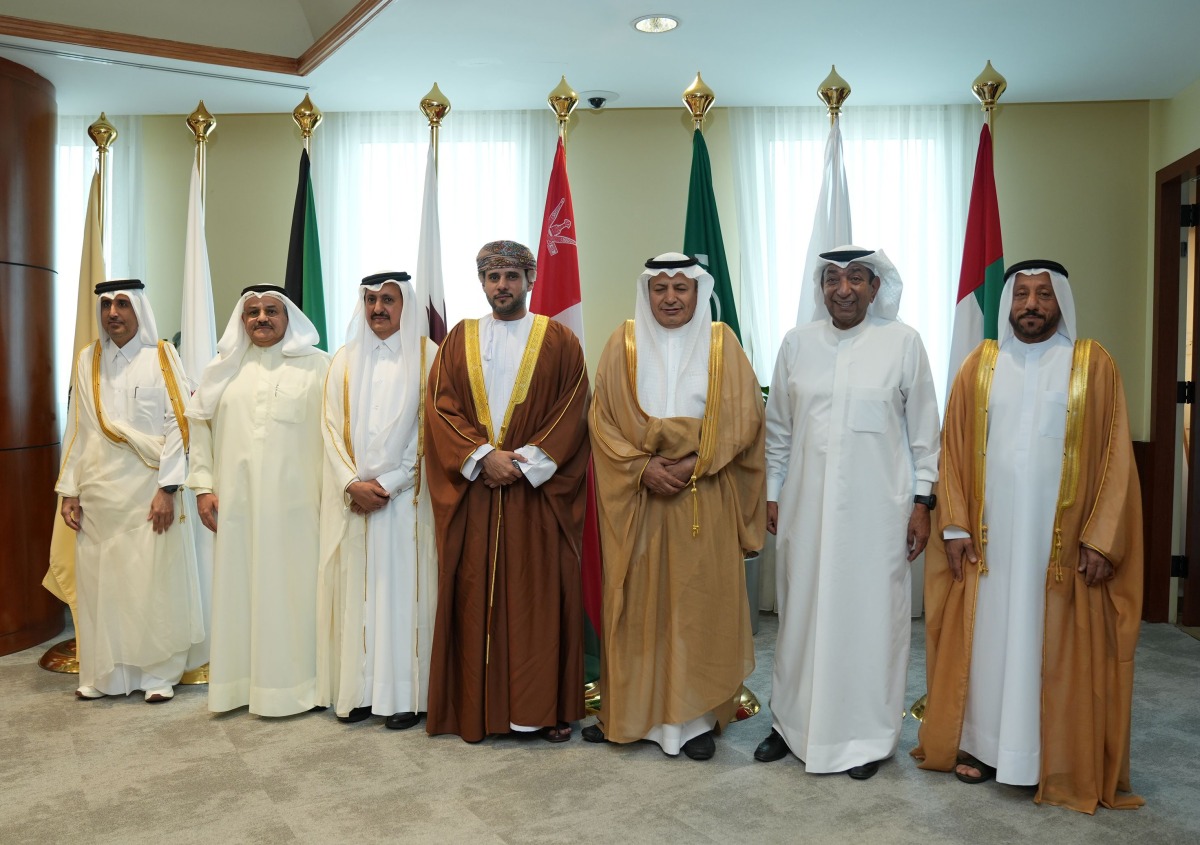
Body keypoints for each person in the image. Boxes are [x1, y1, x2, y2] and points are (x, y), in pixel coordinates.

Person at [913, 260, 1143, 813]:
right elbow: (954, 453)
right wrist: (955, 524)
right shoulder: (980, 366)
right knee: (987, 640)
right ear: (1007, 305)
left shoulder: (1093, 365)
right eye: (1021, 295)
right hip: (990, 546)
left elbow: (1117, 459)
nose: (1031, 304)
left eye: (1043, 295)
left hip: (1059, 548)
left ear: (1060, 302)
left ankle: (1049, 755)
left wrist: (1100, 539)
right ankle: (983, 747)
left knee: (1054, 644)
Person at [757, 246, 940, 779]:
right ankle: (789, 725)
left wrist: (923, 503)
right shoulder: (797, 344)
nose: (843, 289)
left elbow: (925, 434)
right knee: (799, 616)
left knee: (870, 622)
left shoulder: (903, 343)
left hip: (877, 515)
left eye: (855, 278)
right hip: (804, 511)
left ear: (875, 287)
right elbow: (779, 431)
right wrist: (772, 491)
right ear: (821, 289)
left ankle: (867, 738)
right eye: (833, 279)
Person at [586, 253, 764, 760]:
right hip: (637, 496)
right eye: (659, 288)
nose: (669, 298)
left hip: (699, 494)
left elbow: (743, 416)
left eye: (681, 288)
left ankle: (695, 719)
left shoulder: (720, 342)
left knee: (695, 607)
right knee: (637, 607)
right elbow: (602, 421)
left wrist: (693, 463)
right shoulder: (621, 344)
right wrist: (643, 468)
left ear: (697, 292)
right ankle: (630, 713)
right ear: (647, 293)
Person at [424, 240, 590, 743]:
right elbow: (439, 407)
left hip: (536, 495)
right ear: (481, 283)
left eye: (512, 276)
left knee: (537, 599)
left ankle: (540, 711)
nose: (502, 286)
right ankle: (476, 710)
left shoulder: (560, 339)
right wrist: (482, 457)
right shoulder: (460, 339)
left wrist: (526, 463)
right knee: (476, 597)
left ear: (530, 279)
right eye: (493, 277)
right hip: (477, 490)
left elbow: (574, 406)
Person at [56, 279, 205, 703]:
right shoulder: (88, 361)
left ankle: (157, 675)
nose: (113, 313)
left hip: (148, 493)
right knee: (104, 586)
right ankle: (108, 675)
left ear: (139, 309)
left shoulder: (161, 356)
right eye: (106, 305)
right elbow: (78, 430)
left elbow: (180, 425)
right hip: (99, 495)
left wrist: (168, 488)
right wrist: (70, 491)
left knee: (150, 584)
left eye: (122, 304)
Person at [186, 284, 329, 717]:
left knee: (293, 593)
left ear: (289, 318)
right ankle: (239, 687)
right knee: (240, 590)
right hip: (237, 507)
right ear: (241, 320)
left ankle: (298, 687)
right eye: (252, 312)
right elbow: (199, 430)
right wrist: (203, 486)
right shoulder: (222, 370)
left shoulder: (319, 367)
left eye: (271, 311)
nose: (261, 319)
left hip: (300, 508)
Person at [317, 272, 438, 729]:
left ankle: (405, 697)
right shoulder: (344, 360)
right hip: (355, 504)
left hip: (405, 503)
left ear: (404, 305)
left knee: (402, 595)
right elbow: (328, 428)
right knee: (359, 598)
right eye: (370, 300)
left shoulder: (429, 358)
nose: (378, 309)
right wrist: (351, 482)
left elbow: (432, 431)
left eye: (388, 300)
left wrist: (387, 484)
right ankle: (360, 693)